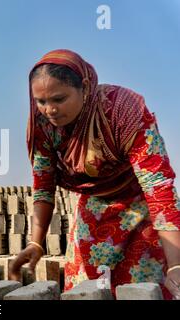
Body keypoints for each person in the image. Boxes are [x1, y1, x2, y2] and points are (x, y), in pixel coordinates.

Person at [9, 49, 180, 300]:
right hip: (93, 216)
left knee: (144, 289)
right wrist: (36, 242)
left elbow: (158, 188)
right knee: (87, 291)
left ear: (85, 87)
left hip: (141, 212)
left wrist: (175, 264)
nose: (50, 110)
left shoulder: (123, 111)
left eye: (59, 99)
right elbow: (44, 184)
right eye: (41, 101)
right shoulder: (43, 124)